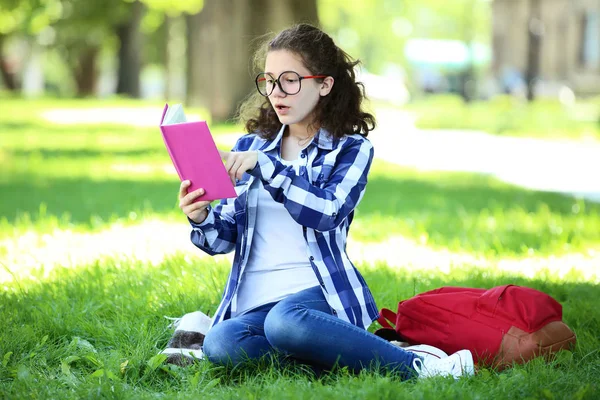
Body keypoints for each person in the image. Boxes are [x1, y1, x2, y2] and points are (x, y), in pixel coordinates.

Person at [176, 23, 474, 380]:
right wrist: (202, 215)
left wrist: (271, 169)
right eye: (269, 80)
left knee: (286, 322)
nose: (276, 92)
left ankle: (422, 366)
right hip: (256, 304)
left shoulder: (350, 150)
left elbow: (326, 212)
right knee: (221, 343)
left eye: (289, 79)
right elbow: (221, 240)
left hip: (319, 298)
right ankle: (341, 357)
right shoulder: (249, 147)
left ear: (324, 84)